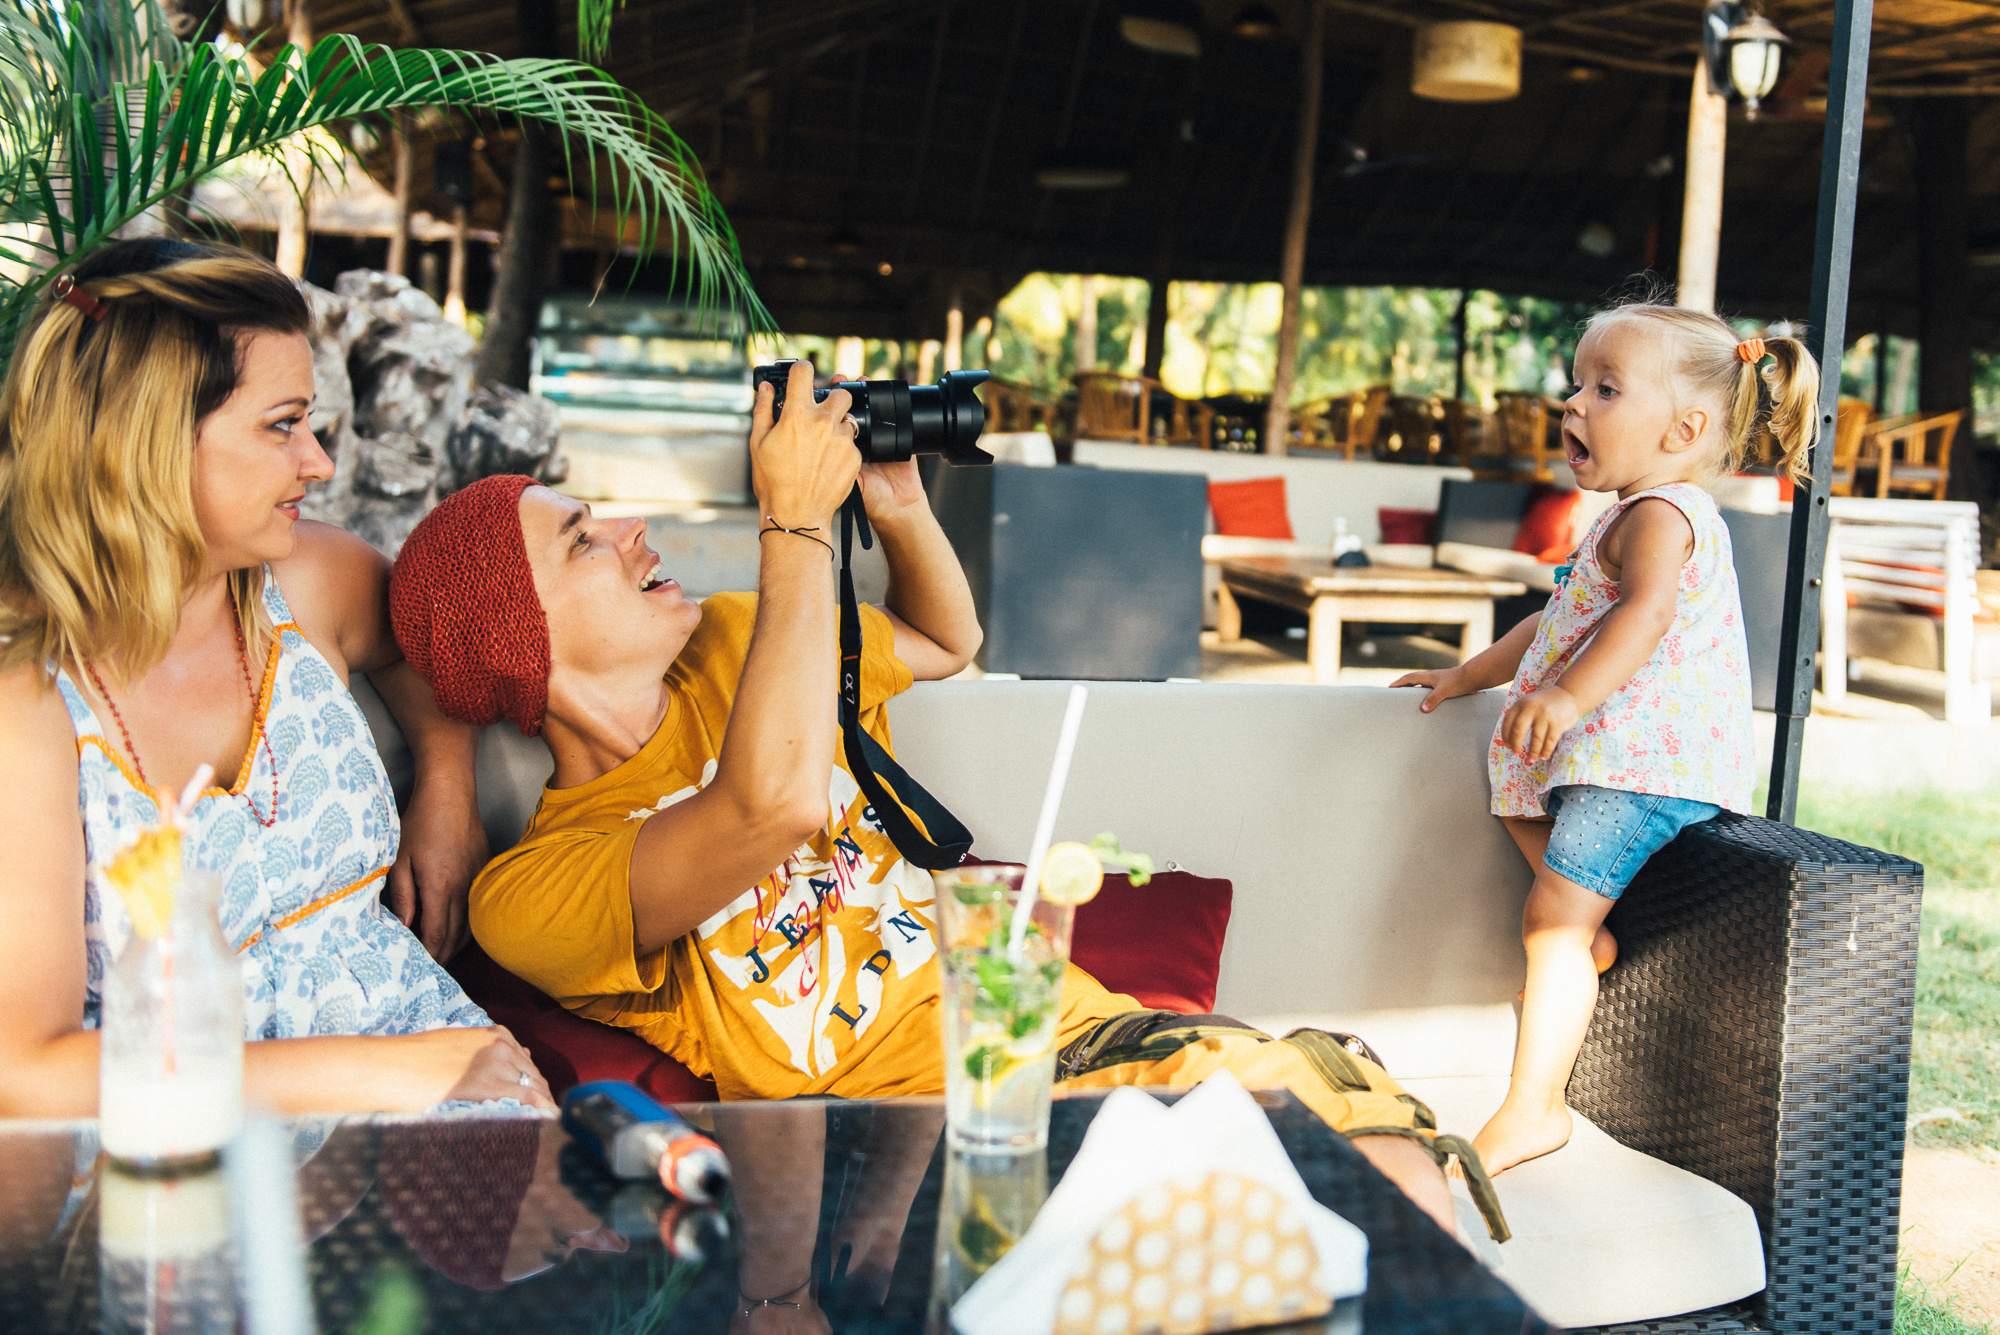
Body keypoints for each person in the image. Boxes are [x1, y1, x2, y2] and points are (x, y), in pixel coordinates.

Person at [390, 360, 1505, 1257]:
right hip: (923, 1142)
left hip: (1069, 1039)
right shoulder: (531, 892)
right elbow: (767, 807)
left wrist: (897, 504)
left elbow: (941, 643)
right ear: (516, 639)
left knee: (1384, 1160)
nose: (632, 527)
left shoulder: (741, 638)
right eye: (583, 537)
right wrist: (792, 527)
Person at [0, 239, 553, 1116]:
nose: (320, 463)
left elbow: (420, 639)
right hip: (190, 1172)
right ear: (146, 439)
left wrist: (445, 789)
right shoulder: (25, 700)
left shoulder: (306, 582)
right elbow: (28, 1071)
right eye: (282, 424)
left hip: (445, 1108)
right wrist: (389, 1074)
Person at [1393, 302, 1818, 1175]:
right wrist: (1462, 677)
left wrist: (1570, 698)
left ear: (1683, 429)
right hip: (1618, 762)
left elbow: (1645, 615)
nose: (1574, 404)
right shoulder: (1626, 514)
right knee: (1511, 786)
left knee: (1547, 923)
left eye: (1607, 389)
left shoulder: (1664, 515)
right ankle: (1589, 940)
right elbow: (1553, 624)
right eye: (1576, 384)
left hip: (1647, 766)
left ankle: (1535, 1105)